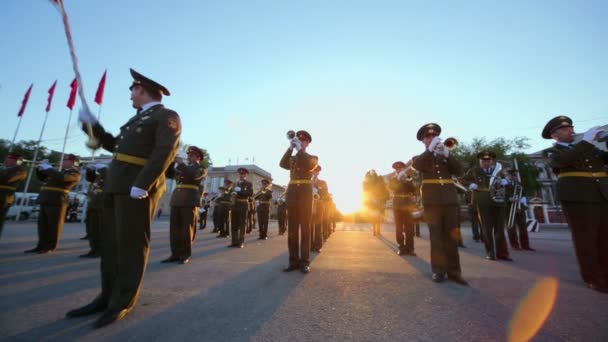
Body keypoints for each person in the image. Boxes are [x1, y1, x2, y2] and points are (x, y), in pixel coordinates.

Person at [66, 69, 181, 328]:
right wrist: (91, 126)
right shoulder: (137, 119)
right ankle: (107, 296)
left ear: (141, 89)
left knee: (130, 246)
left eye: (132, 89)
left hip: (136, 188)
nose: (130, 94)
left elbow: (165, 151)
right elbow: (114, 146)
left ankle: (123, 300)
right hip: (116, 186)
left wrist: (144, 183)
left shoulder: (166, 116)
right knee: (111, 245)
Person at [542, 116, 608, 293]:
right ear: (555, 135)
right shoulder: (552, 152)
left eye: (571, 127)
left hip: (601, 195)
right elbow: (562, 162)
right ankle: (593, 278)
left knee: (604, 238)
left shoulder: (588, 148)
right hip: (577, 198)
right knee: (586, 239)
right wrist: (586, 141)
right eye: (565, 129)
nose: (571, 131)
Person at [412, 123, 467, 285]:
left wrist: (447, 154)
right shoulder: (421, 158)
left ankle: (454, 272)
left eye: (434, 136)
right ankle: (438, 271)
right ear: (423, 141)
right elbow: (417, 166)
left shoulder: (445, 155)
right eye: (428, 137)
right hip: (432, 201)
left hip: (449, 200)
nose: (431, 138)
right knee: (436, 237)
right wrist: (430, 150)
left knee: (452, 237)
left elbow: (459, 170)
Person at [25, 154, 81, 254]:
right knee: (43, 225)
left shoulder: (75, 173)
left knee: (54, 225)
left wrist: (49, 169)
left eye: (66, 161)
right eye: (64, 160)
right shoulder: (58, 172)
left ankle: (50, 246)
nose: (63, 162)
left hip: (57, 201)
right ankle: (41, 245)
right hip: (46, 199)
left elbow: (63, 178)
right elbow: (42, 178)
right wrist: (41, 168)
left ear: (73, 163)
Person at [280, 130, 317, 273]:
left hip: (305, 193)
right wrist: (290, 148)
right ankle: (293, 261)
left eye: (303, 141)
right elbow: (282, 164)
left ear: (307, 143)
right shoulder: (293, 158)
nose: (299, 142)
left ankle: (305, 262)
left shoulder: (313, 157)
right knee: (293, 229)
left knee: (305, 228)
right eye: (298, 140)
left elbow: (308, 165)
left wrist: (300, 150)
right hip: (292, 192)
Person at [464, 151, 512, 262]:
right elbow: (462, 180)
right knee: (486, 229)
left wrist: (506, 182)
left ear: (492, 161)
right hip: (483, 202)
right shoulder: (474, 171)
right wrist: (470, 184)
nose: (486, 162)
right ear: (480, 161)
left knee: (500, 229)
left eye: (488, 160)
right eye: (483, 161)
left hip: (498, 202)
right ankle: (490, 253)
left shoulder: (498, 171)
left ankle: (503, 253)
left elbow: (507, 187)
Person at [163, 146, 207, 264]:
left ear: (198, 157)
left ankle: (185, 254)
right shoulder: (183, 168)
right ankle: (175, 254)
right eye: (188, 155)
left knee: (187, 229)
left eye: (191, 155)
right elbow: (169, 174)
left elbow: (194, 176)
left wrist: (182, 164)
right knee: (175, 229)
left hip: (189, 200)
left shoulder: (201, 168)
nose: (188, 157)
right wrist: (171, 161)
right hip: (177, 199)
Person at [387, 161, 417, 256]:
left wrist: (406, 180)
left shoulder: (408, 178)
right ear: (395, 170)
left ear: (403, 169)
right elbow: (392, 188)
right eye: (397, 168)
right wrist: (398, 179)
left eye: (400, 168)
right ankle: (401, 247)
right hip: (398, 205)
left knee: (410, 228)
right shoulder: (392, 179)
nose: (399, 170)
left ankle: (410, 249)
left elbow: (413, 189)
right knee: (399, 228)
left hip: (408, 205)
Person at [81, 162, 108, 258]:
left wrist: (103, 168)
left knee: (100, 230)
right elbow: (90, 178)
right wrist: (89, 169)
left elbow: (108, 177)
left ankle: (100, 251)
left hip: (102, 206)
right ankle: (94, 249)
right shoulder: (98, 178)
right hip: (94, 204)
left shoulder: (108, 175)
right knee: (93, 231)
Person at [504, 169, 535, 251]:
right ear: (508, 175)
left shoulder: (519, 184)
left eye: (515, 175)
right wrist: (509, 198)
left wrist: (524, 199)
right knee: (511, 227)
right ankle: (514, 245)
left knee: (523, 227)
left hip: (519, 207)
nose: (514, 177)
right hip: (509, 208)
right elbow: (500, 193)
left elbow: (524, 193)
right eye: (512, 175)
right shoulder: (503, 184)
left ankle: (525, 245)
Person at [0, 152, 27, 239]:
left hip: (4, 197)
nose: (5, 160)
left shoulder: (20, 171)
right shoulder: (3, 169)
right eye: (6, 158)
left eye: (9, 158)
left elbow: (8, 179)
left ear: (16, 161)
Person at [228, 168, 253, 248]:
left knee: (242, 224)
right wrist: (232, 193)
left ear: (246, 175)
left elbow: (250, 193)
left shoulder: (249, 184)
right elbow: (231, 193)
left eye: (243, 174)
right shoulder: (235, 184)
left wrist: (240, 191)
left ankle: (241, 242)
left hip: (243, 204)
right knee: (234, 224)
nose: (241, 175)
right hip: (235, 204)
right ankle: (234, 241)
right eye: (240, 174)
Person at [311, 165, 329, 252]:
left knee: (318, 226)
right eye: (314, 171)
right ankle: (309, 245)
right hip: (308, 206)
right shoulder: (306, 182)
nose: (315, 173)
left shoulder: (323, 182)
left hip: (319, 205)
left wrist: (317, 190)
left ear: (318, 173)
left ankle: (317, 246)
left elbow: (326, 194)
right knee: (308, 227)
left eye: (317, 171)